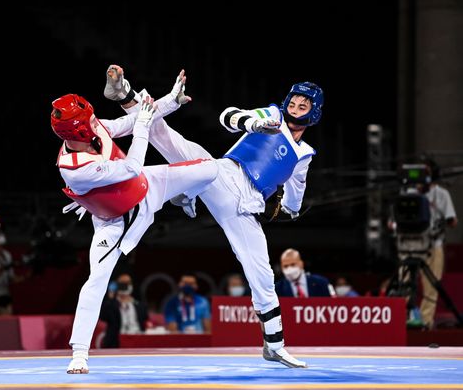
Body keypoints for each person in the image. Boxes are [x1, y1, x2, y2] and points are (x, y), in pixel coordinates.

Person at [105, 65, 323, 368]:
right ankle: (126, 95)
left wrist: (289, 210)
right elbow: (228, 117)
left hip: (247, 206)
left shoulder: (305, 155)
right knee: (174, 143)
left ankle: (274, 345)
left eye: (304, 104)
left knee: (261, 273)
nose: (296, 106)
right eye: (294, 101)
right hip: (224, 175)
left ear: (314, 113)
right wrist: (252, 123)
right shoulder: (271, 115)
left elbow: (295, 194)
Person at [51, 74, 219, 374]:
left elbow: (127, 124)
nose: (95, 123)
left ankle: (183, 196)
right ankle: (79, 353)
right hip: (115, 218)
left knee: (209, 168)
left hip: (146, 186)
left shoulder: (90, 126)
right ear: (74, 129)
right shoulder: (74, 169)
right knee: (97, 280)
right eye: (88, 121)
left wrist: (171, 101)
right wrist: (142, 124)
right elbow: (131, 166)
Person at [419, 158, 458, 329]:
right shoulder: (410, 192)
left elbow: (453, 220)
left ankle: (425, 321)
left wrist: (443, 221)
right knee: (404, 282)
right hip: (412, 244)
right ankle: (401, 319)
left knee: (431, 285)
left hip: (434, 244)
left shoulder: (442, 194)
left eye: (425, 171)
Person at [99, 273, 148, 348]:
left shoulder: (139, 305)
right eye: (122, 284)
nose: (125, 286)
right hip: (116, 343)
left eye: (127, 283)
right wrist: (111, 295)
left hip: (138, 341)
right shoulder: (111, 305)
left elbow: (145, 321)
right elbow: (103, 316)